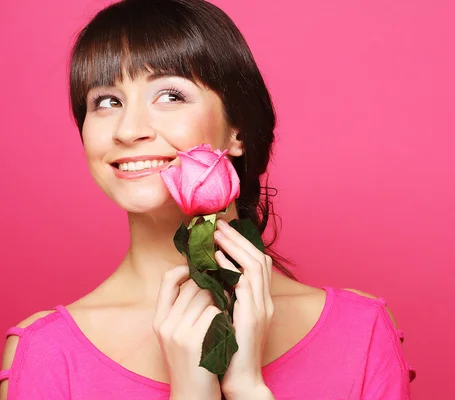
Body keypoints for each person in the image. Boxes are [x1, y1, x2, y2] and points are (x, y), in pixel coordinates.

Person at [0, 0, 415, 398]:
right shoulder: (46, 353)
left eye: (170, 95)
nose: (128, 130)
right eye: (107, 102)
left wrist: (247, 390)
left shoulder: (359, 332)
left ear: (237, 130)